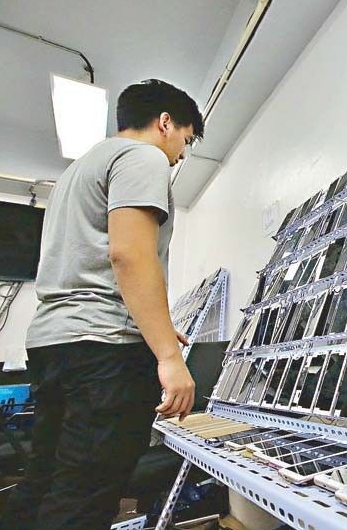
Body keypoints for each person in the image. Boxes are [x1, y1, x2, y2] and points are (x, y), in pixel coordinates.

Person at [0, 79, 204, 530]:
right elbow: (129, 254)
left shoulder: (78, 170)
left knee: (44, 480)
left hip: (54, 343)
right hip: (104, 350)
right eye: (185, 141)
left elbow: (91, 261)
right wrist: (169, 358)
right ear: (165, 122)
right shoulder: (143, 156)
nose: (182, 154)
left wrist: (161, 327)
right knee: (86, 496)